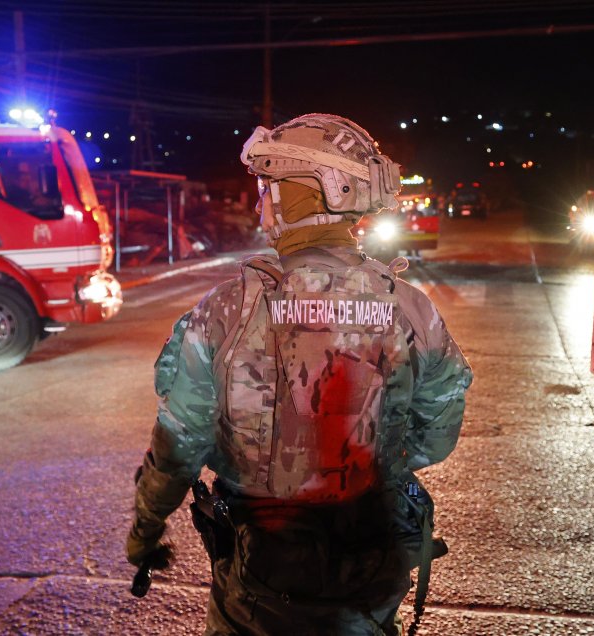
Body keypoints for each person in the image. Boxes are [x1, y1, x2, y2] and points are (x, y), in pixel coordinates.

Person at [127, 113, 473, 635]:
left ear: (311, 194)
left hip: (259, 582)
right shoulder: (408, 307)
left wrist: (145, 532)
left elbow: (179, 441)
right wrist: (373, 469)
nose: (260, 205)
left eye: (268, 189)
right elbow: (438, 433)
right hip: (372, 571)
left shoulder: (226, 310)